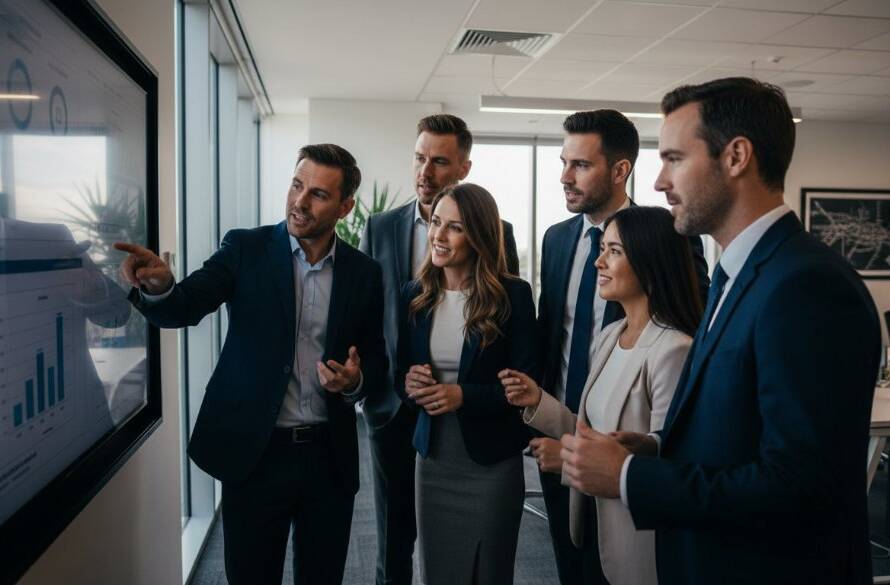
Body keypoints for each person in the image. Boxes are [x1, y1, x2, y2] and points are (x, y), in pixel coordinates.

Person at [558, 77, 881, 585]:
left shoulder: (806, 285)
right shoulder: (737, 272)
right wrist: (657, 446)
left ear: (736, 157)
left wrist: (627, 476)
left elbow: (802, 487)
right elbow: (740, 433)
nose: (660, 182)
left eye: (674, 159)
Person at [115, 144, 386, 585]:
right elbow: (185, 306)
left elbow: (375, 355)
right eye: (297, 185)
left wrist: (357, 381)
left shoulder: (364, 273)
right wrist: (162, 287)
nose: (299, 201)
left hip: (328, 458)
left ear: (345, 206)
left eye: (317, 194)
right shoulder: (245, 248)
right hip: (256, 456)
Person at [534, 109, 709, 585]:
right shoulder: (556, 240)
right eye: (563, 162)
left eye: (581, 165)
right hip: (566, 431)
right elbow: (552, 330)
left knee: (625, 562)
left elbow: (688, 317)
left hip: (628, 448)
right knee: (576, 560)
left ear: (619, 170)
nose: (565, 177)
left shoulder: (666, 238)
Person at [500, 205, 701, 585]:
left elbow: (667, 461)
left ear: (650, 261)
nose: (598, 262)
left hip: (635, 540)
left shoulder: (673, 349)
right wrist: (538, 401)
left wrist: (572, 458)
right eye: (601, 249)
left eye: (614, 251)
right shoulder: (611, 336)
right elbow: (590, 427)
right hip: (590, 522)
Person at [358, 114, 519, 585]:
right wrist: (371, 387)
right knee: (392, 536)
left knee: (457, 545)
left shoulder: (497, 230)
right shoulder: (381, 226)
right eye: (419, 158)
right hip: (393, 405)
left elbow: (500, 315)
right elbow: (370, 317)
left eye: (440, 161)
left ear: (464, 167)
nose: (425, 171)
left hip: (466, 419)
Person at [394, 183, 536, 585]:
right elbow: (400, 377)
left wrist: (462, 395)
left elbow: (526, 385)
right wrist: (411, 383)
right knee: (439, 573)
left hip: (491, 461)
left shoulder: (513, 296)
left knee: (489, 573)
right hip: (434, 458)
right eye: (436, 222)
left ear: (478, 235)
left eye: (454, 227)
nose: (438, 235)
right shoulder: (415, 296)